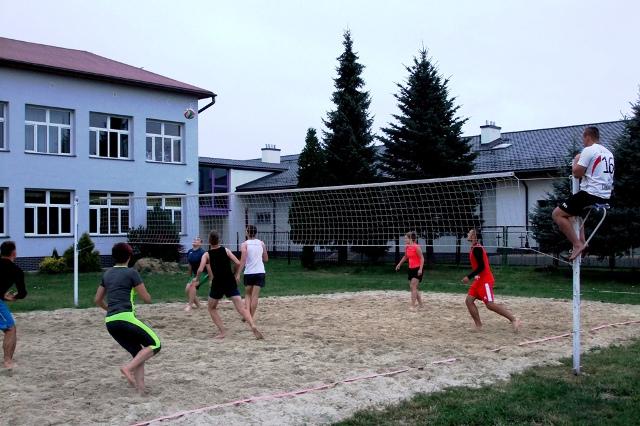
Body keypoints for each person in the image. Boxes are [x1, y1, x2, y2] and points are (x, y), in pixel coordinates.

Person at [94, 242, 161, 394]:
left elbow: (97, 300)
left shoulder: (107, 274)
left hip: (110, 322)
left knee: (138, 353)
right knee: (156, 344)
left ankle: (141, 389)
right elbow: (146, 299)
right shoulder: (131, 273)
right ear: (129, 257)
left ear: (113, 257)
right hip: (125, 318)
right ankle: (127, 368)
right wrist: (147, 295)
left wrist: (109, 309)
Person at [552, 126, 614, 260]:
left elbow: (577, 173)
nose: (583, 141)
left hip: (591, 194)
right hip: (605, 195)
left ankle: (577, 244)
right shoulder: (608, 153)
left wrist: (576, 160)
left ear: (587, 137)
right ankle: (583, 241)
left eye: (583, 138)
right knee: (574, 213)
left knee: (557, 214)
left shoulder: (589, 150)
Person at [193, 231, 263, 340]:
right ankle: (252, 325)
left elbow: (200, 270)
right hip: (230, 281)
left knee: (211, 308)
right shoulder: (226, 250)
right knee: (242, 308)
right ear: (219, 240)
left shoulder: (207, 254)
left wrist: (197, 279)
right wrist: (235, 273)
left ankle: (222, 332)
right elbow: (238, 263)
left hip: (217, 283)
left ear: (209, 241)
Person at [462, 229, 521, 332]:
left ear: (474, 236)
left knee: (490, 305)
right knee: (469, 301)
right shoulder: (474, 247)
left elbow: (481, 267)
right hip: (478, 281)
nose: (468, 234)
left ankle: (513, 319)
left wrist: (468, 277)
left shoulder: (477, 248)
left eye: (469, 232)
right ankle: (478, 325)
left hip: (485, 280)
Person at [0, 241, 27, 369]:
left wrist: (2, 295)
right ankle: (8, 362)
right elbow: (22, 293)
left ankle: (9, 360)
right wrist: (14, 297)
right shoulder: (16, 270)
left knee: (11, 327)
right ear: (14, 253)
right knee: (10, 329)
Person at [236, 225, 268, 321]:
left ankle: (247, 316)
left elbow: (243, 260)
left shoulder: (244, 244)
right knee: (255, 296)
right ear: (255, 233)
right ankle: (251, 317)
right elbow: (266, 259)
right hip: (260, 272)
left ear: (247, 232)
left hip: (249, 272)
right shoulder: (261, 243)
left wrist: (238, 273)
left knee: (247, 294)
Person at [395, 231, 424, 310]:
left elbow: (422, 258)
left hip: (417, 269)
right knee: (413, 287)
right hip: (410, 268)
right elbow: (405, 256)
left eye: (406, 238)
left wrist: (420, 269)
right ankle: (421, 305)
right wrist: (399, 264)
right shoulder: (407, 247)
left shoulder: (416, 247)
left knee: (413, 286)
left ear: (411, 238)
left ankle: (412, 306)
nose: (405, 240)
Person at [184, 237, 212, 312]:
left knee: (193, 285)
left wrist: (211, 279)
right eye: (194, 239)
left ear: (200, 243)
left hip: (204, 273)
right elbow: (190, 264)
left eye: (197, 240)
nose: (194, 240)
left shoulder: (203, 253)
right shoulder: (190, 252)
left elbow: (208, 266)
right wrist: (189, 275)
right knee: (187, 289)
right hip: (195, 273)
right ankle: (199, 306)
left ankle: (190, 305)